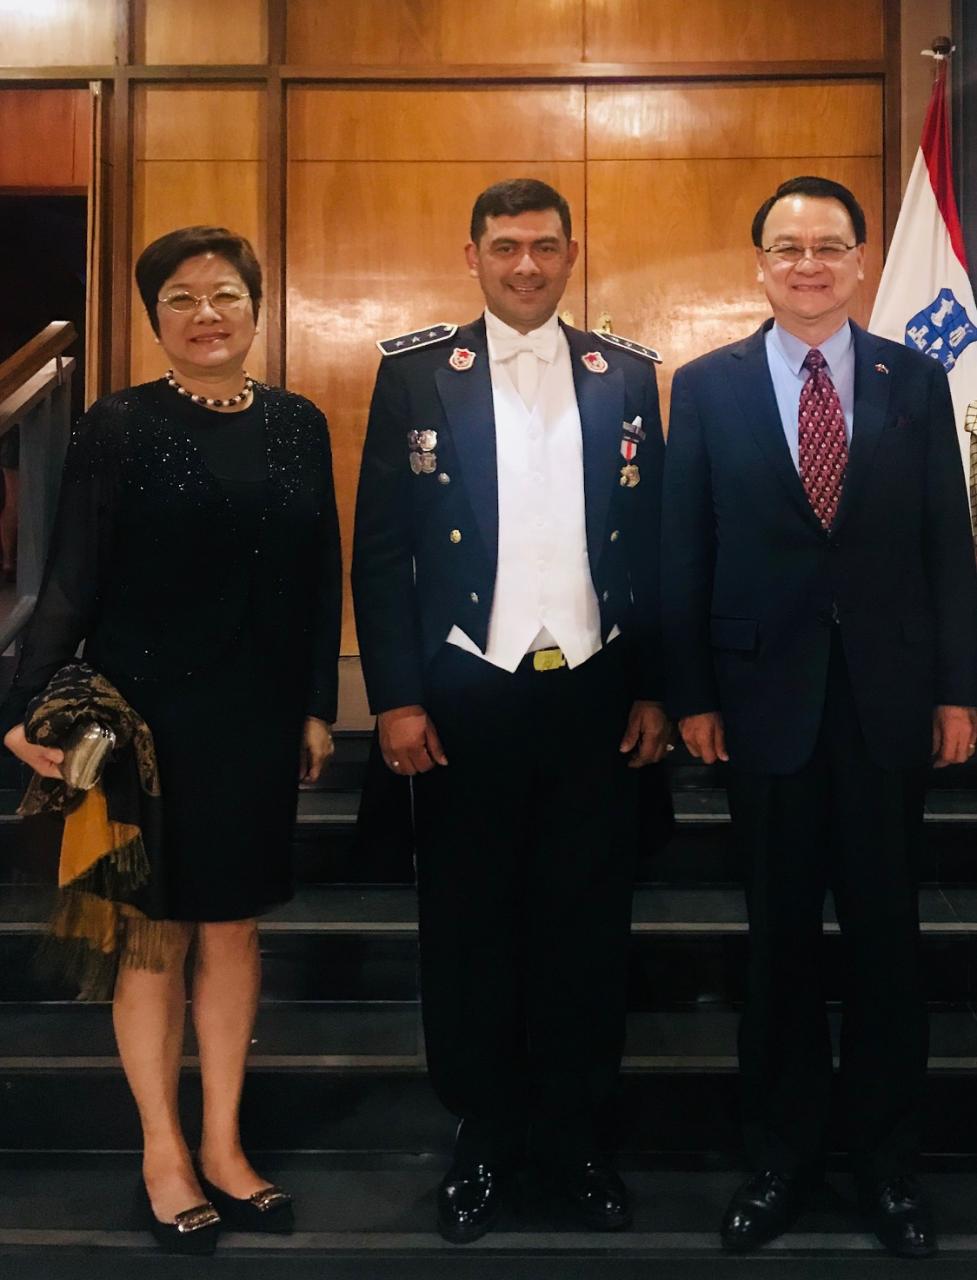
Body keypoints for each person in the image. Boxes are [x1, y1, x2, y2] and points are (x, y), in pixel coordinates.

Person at [0, 225, 342, 1253]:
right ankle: (162, 1148)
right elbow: (70, 573)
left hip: (253, 714)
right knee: (150, 936)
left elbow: (316, 576)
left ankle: (227, 1141)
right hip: (142, 718)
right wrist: (16, 705)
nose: (207, 314)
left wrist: (315, 701)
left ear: (255, 305)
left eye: (225, 294)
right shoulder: (117, 425)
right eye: (183, 298)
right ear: (155, 317)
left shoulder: (298, 423)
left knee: (233, 925)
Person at [661, 175, 977, 1258]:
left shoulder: (912, 378)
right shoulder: (703, 387)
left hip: (888, 703)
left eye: (827, 245)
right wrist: (693, 692)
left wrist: (956, 687)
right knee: (779, 947)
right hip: (761, 707)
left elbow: (947, 543)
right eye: (785, 246)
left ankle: (888, 1166)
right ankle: (779, 1158)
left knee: (889, 945)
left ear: (855, 262)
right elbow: (682, 548)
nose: (807, 263)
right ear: (757, 263)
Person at [352, 178, 668, 1244]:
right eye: (503, 247)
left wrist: (656, 686)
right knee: (469, 928)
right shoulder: (411, 377)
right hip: (463, 694)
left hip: (591, 690)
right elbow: (382, 549)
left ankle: (574, 1137)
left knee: (584, 928)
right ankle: (482, 1135)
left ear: (572, 253)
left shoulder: (623, 374)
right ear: (472, 254)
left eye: (542, 246)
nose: (524, 265)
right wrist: (393, 693)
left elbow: (655, 542)